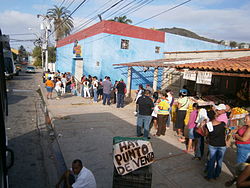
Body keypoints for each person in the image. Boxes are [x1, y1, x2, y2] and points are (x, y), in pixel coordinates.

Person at [204, 110, 227, 181]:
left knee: (212, 160)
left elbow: (206, 135)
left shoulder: (207, 125)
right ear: (215, 116)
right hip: (222, 144)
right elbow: (227, 131)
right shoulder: (223, 124)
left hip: (213, 144)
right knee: (219, 160)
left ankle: (209, 176)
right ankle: (216, 175)